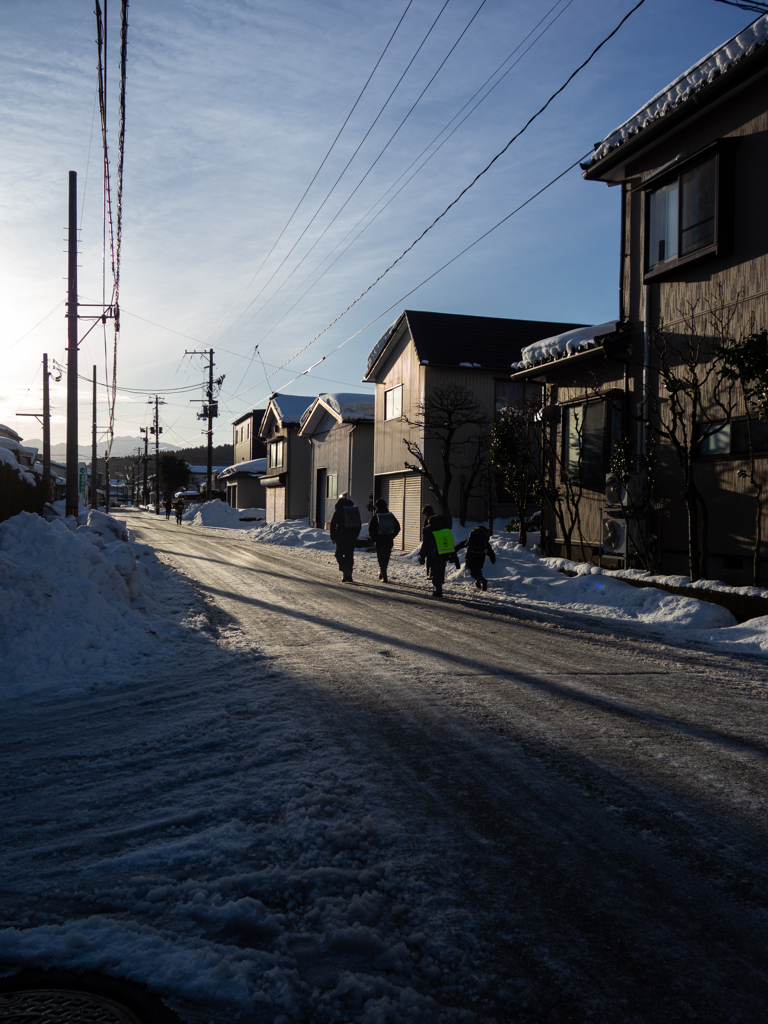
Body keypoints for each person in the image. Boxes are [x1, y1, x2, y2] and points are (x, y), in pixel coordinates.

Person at [419, 510, 459, 598]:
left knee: (434, 571)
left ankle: (437, 588)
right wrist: (453, 555)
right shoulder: (445, 531)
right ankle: (439, 586)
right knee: (440, 571)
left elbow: (425, 545)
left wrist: (422, 556)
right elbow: (450, 543)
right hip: (443, 555)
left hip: (433, 555)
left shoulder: (429, 532)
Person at [330, 492, 361, 583]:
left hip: (341, 537)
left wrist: (333, 536)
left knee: (339, 555)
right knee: (349, 556)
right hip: (352, 538)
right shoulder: (353, 510)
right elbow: (358, 524)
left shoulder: (339, 510)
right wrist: (356, 535)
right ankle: (348, 576)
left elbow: (333, 523)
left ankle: (346, 570)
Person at [368, 498, 400, 583]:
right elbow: (397, 527)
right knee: (386, 557)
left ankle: (383, 574)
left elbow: (371, 529)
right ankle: (383, 571)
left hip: (379, 541)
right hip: (388, 540)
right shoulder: (390, 516)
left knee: (381, 557)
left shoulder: (376, 516)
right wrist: (392, 536)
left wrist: (375, 538)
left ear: (376, 506)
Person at [456, 525, 496, 591]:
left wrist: (455, 549)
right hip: (481, 556)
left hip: (471, 555)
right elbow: (490, 551)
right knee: (477, 569)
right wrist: (492, 559)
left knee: (473, 573)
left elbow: (462, 544)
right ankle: (478, 582)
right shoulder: (484, 540)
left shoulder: (472, 538)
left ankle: (482, 580)